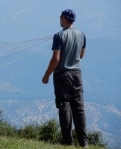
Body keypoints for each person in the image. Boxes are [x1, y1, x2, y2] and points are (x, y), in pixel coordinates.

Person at [42, 9, 88, 147]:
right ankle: (84, 142)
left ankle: (68, 141)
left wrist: (46, 76)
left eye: (60, 17)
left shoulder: (58, 36)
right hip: (77, 73)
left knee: (64, 107)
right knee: (79, 107)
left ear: (63, 18)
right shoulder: (82, 35)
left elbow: (55, 59)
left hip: (62, 74)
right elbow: (81, 55)